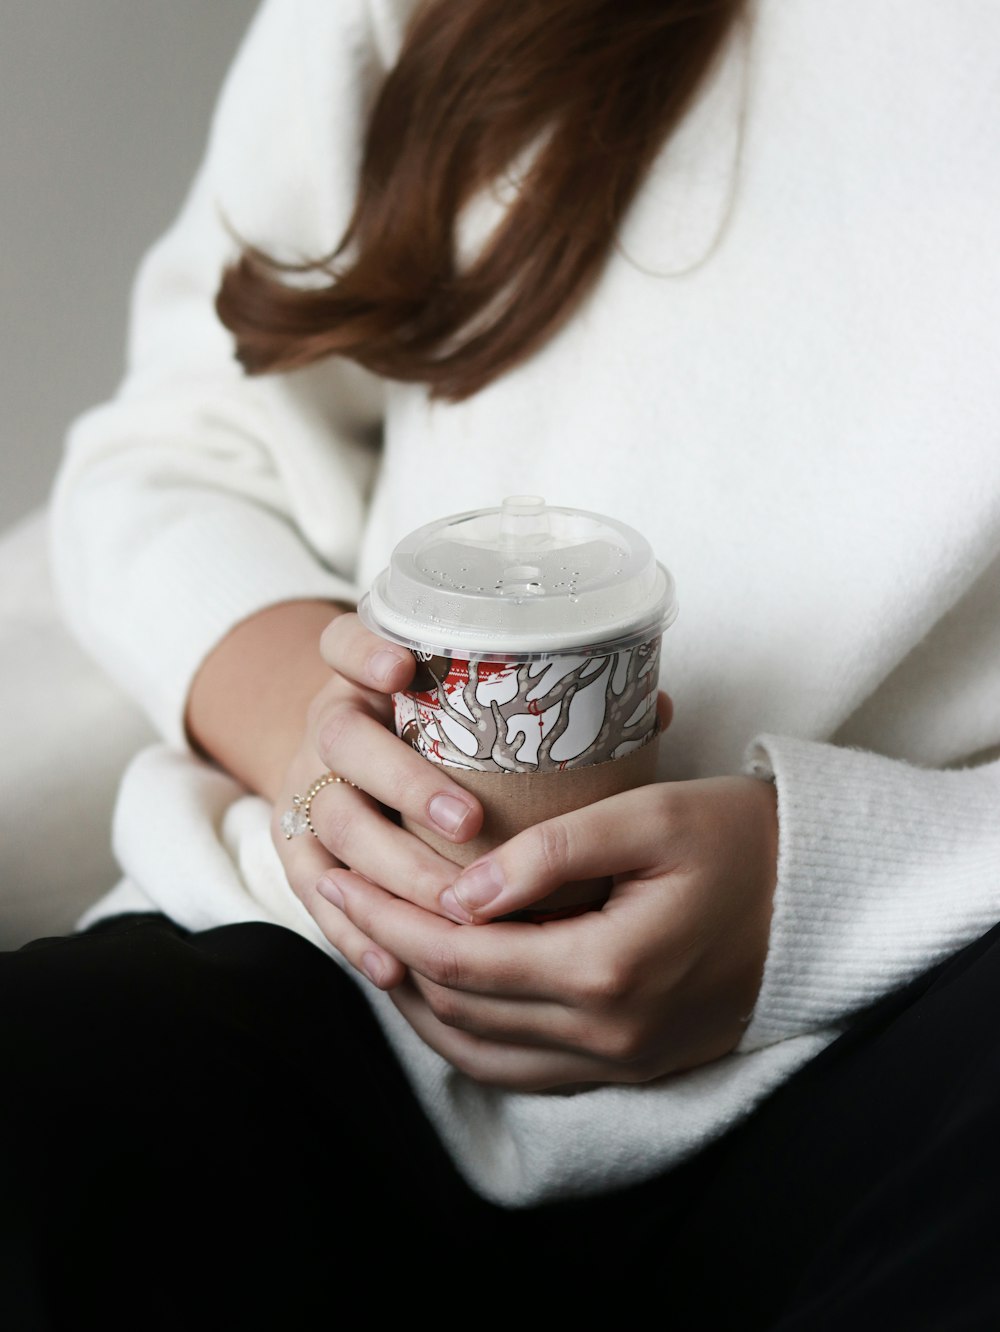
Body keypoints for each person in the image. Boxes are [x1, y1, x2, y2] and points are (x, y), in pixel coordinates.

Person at [4, 0, 1000, 1324]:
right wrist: (322, 745)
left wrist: (827, 896)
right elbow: (182, 446)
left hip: (920, 1030)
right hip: (330, 988)